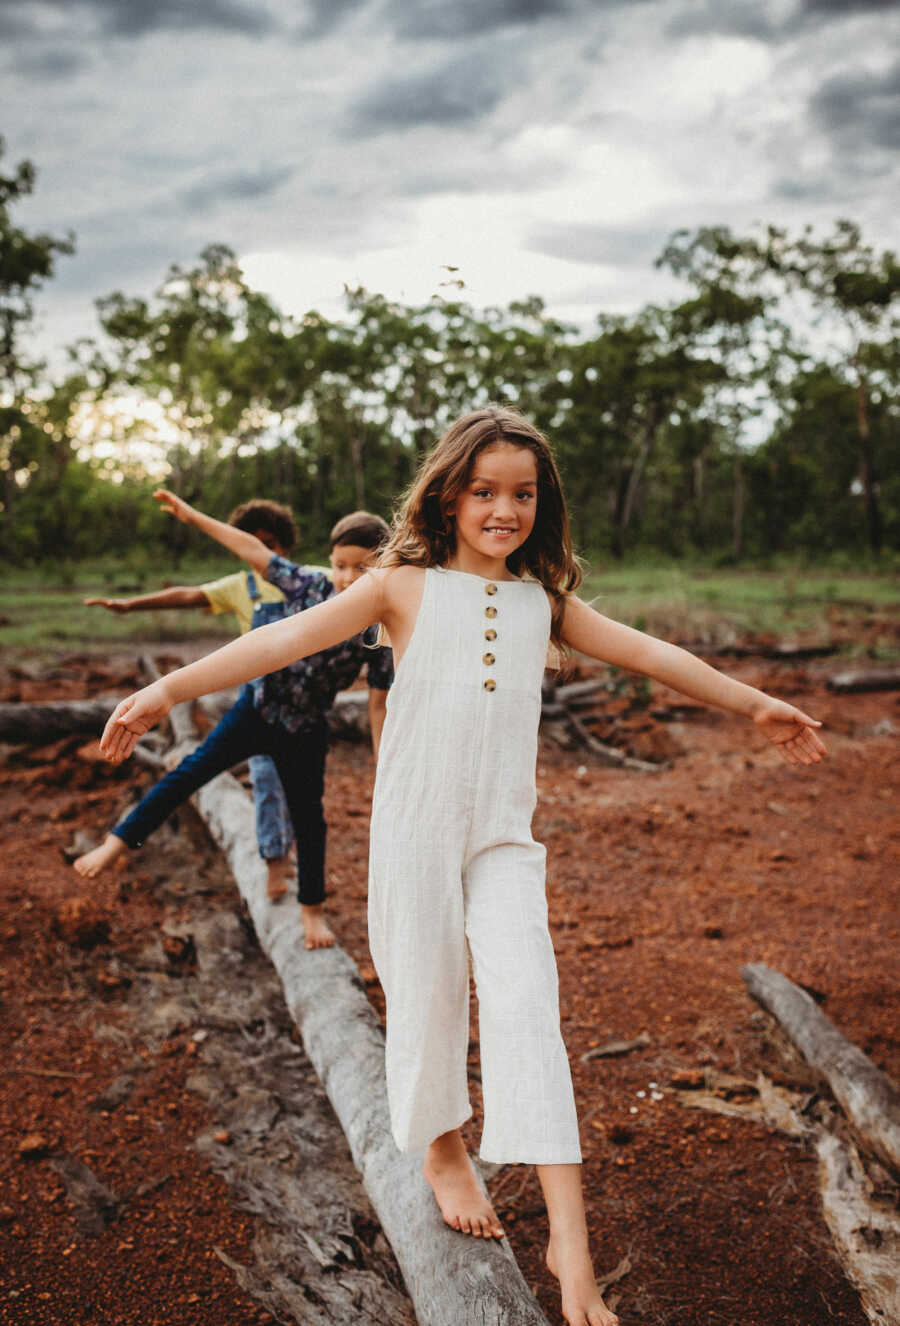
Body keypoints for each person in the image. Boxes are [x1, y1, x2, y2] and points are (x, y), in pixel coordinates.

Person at [96, 406, 826, 1326]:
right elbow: (279, 640)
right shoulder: (400, 586)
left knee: (528, 1004)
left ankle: (571, 1242)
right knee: (429, 993)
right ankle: (443, 1149)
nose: (504, 509)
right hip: (414, 834)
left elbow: (653, 652)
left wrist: (756, 704)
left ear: (542, 504)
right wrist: (162, 690)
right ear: (450, 495)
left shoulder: (542, 602)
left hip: (504, 841)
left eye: (523, 494)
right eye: (485, 491)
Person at [76, 496, 393, 951]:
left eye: (361, 569)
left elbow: (378, 705)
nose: (346, 578)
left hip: (305, 729)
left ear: (383, 568)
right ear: (329, 562)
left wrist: (384, 765)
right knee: (189, 772)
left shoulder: (379, 630)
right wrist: (192, 517)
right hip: (256, 709)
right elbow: (252, 551)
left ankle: (312, 911)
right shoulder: (309, 586)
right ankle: (118, 841)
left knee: (309, 819)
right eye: (340, 565)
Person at [84, 498, 300, 902]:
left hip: (305, 706)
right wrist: (131, 605)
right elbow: (185, 596)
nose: (261, 551)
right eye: (249, 543)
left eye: (270, 543)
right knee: (253, 778)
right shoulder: (241, 587)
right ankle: (274, 861)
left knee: (303, 793)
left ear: (285, 544)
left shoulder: (310, 581)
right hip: (256, 701)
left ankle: (293, 869)